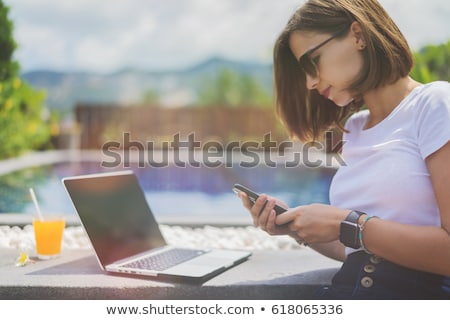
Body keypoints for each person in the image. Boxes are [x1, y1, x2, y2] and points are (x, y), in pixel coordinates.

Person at [237, 0, 450, 299]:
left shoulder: (436, 103)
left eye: (313, 62)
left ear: (358, 35)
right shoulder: (356, 129)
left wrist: (346, 223)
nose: (310, 82)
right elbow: (357, 247)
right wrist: (297, 227)